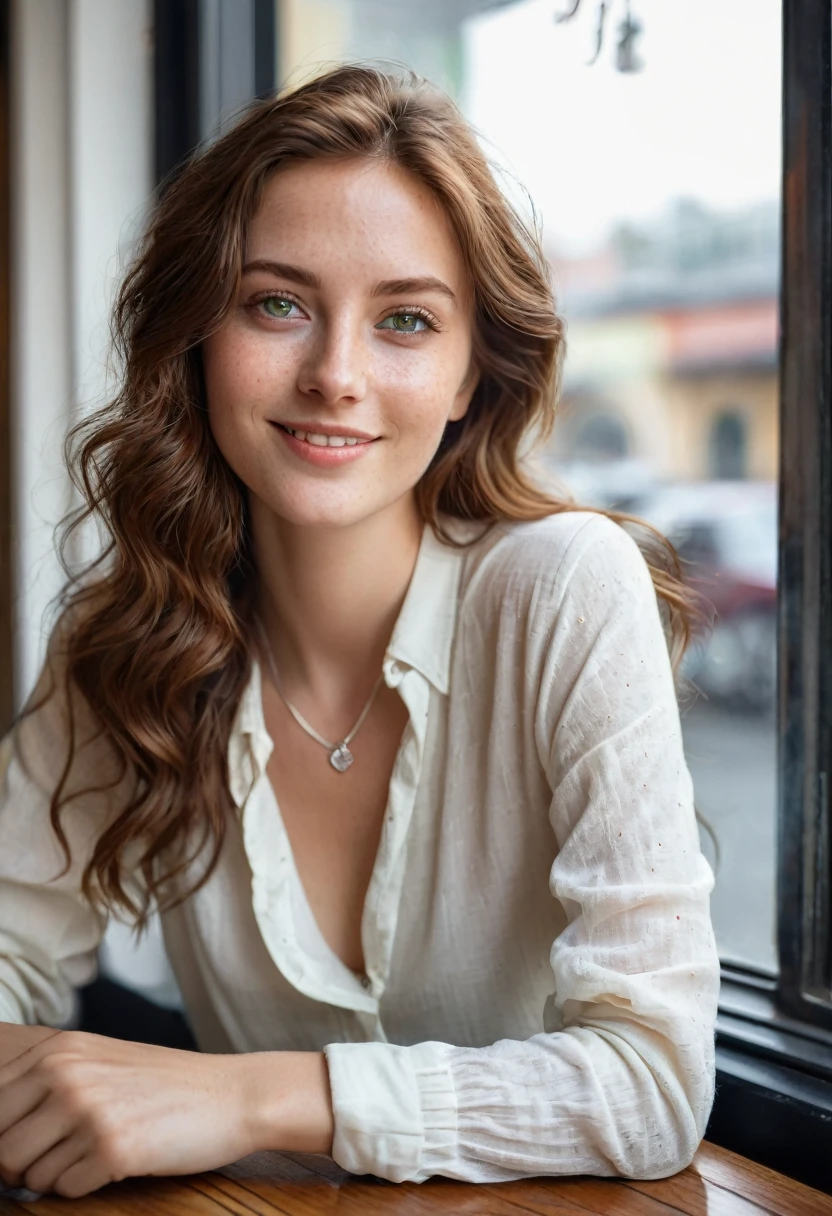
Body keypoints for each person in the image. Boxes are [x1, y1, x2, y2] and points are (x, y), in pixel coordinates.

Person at [0, 63, 720, 1199]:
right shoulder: (128, 633)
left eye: (404, 320)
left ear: (469, 375)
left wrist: (241, 1094)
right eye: (276, 302)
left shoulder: (568, 590)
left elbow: (651, 1083)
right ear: (196, 335)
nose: (335, 375)